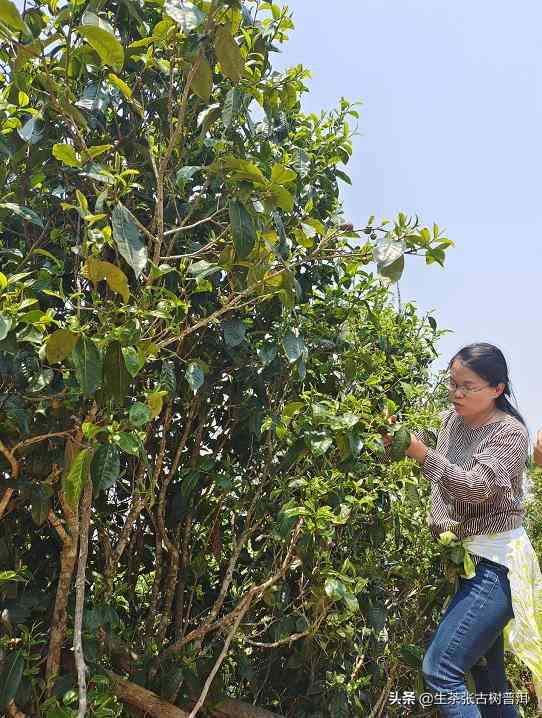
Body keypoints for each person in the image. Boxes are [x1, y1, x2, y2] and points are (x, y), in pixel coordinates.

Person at [385, 343, 542, 717]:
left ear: (496, 389)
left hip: (497, 566)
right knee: (489, 681)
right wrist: (397, 435)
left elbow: (475, 488)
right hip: (472, 561)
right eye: (453, 383)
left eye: (467, 386)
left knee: (441, 670)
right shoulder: (451, 420)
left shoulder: (510, 433)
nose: (457, 393)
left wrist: (422, 454)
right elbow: (429, 447)